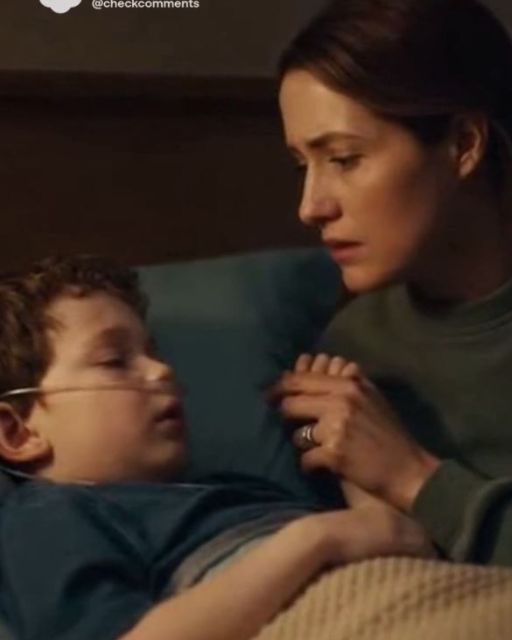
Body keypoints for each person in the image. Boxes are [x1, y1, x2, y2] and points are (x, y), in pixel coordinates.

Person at [0, 255, 431, 640]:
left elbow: (394, 537)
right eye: (114, 361)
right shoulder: (48, 517)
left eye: (153, 352)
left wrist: (339, 443)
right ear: (17, 433)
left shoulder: (235, 490)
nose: (161, 370)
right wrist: (317, 539)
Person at [274, 0, 512, 566]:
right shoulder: (354, 346)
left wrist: (412, 477)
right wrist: (316, 444)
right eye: (302, 165)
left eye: (344, 158)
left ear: (463, 144)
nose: (311, 207)